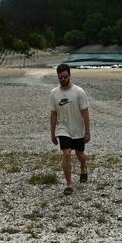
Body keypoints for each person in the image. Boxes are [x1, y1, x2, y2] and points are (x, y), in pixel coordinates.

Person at [49, 63, 90, 195]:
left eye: (65, 77)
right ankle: (69, 184)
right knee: (66, 154)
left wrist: (87, 131)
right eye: (60, 77)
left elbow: (85, 112)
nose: (63, 79)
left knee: (80, 154)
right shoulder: (54, 93)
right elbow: (54, 113)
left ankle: (83, 167)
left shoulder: (79, 92)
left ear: (70, 75)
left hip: (77, 129)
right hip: (63, 129)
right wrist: (53, 133)